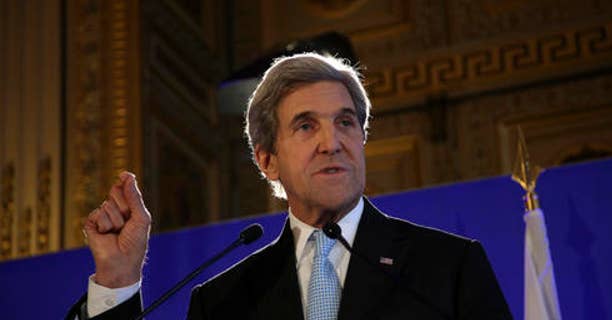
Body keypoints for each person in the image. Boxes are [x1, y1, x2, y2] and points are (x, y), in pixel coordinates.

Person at [67, 52, 513, 319]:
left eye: (345, 122)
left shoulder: (447, 268)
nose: (332, 143)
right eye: (306, 126)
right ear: (267, 160)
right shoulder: (223, 301)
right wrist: (119, 279)